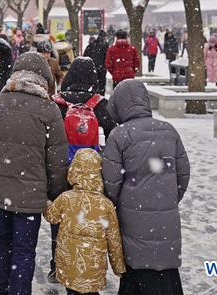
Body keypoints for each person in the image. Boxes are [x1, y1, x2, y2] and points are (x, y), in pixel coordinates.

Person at [0, 52, 69, 295]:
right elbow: (57, 160)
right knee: (24, 250)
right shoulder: (49, 110)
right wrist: (55, 192)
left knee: (1, 240)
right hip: (30, 195)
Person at [102, 80, 190, 295]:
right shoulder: (169, 131)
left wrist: (120, 203)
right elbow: (183, 173)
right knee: (164, 265)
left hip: (132, 215)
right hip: (166, 215)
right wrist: (168, 198)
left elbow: (111, 183)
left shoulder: (119, 135)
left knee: (137, 266)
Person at [44, 148, 126, 294]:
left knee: (72, 291)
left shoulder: (66, 198)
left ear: (74, 170)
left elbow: (51, 216)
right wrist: (118, 266)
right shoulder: (105, 204)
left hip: (69, 266)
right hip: (94, 268)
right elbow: (113, 238)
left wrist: (46, 202)